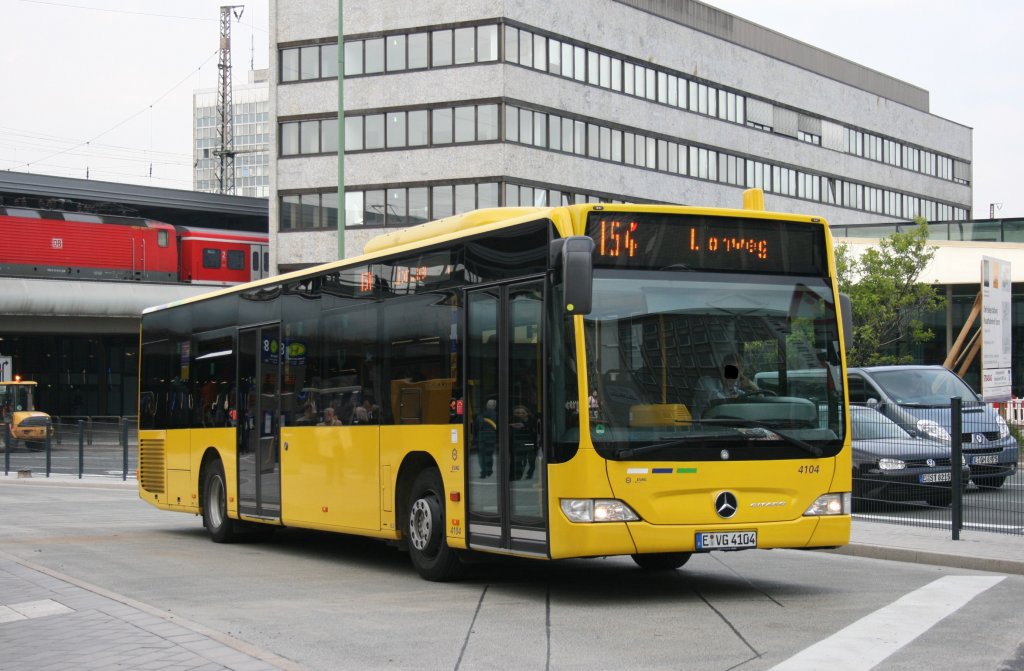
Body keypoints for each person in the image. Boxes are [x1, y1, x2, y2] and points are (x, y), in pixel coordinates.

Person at [694, 352, 759, 417]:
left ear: (741, 373)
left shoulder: (736, 391)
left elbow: (757, 403)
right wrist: (735, 401)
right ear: (722, 369)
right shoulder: (706, 382)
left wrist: (754, 386)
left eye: (735, 371)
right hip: (703, 425)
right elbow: (718, 401)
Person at [475, 399, 498, 478]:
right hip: (492, 437)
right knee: (489, 455)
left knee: (482, 455)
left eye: (489, 404)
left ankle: (484, 472)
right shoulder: (497, 415)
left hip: (482, 437)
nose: (488, 405)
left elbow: (476, 427)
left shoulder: (481, 415)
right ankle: (489, 470)